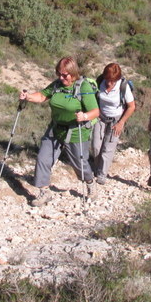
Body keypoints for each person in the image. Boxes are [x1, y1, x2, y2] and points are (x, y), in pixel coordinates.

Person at [19, 57, 99, 206]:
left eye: (65, 75)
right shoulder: (57, 85)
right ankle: (44, 192)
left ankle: (89, 182)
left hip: (76, 132)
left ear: (73, 73)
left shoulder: (83, 87)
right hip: (55, 129)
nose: (61, 77)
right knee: (43, 158)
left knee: (79, 164)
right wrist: (28, 96)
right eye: (59, 74)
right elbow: (43, 96)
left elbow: (95, 111)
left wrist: (85, 116)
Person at [91, 63, 136, 184]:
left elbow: (131, 106)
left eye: (112, 81)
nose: (109, 83)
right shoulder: (100, 81)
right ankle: (96, 167)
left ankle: (102, 174)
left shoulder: (123, 86)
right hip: (100, 118)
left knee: (108, 148)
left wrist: (121, 122)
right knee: (96, 146)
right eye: (107, 79)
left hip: (116, 120)